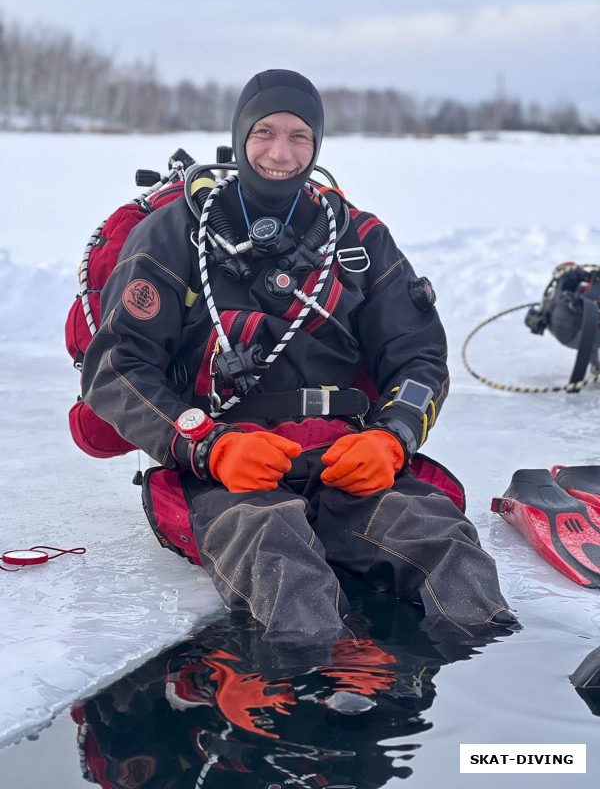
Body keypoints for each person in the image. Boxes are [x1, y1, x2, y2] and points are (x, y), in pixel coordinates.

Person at [81, 68, 516, 648]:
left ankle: (493, 708)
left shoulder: (358, 239)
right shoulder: (176, 234)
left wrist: (391, 438)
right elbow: (115, 367)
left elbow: (419, 356)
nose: (280, 152)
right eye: (264, 132)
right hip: (228, 466)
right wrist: (208, 443)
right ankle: (299, 708)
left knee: (450, 552)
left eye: (299, 136)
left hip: (346, 455)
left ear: (317, 145)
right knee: (279, 561)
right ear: (239, 137)